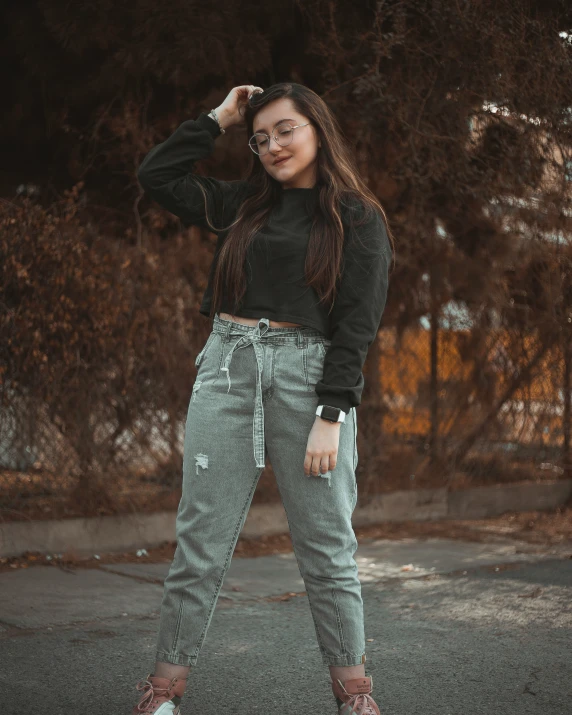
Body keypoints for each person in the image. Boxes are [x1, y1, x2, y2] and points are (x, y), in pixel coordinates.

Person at [134, 82, 394, 715]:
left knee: (328, 547)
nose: (272, 145)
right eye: (260, 137)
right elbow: (157, 175)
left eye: (285, 129)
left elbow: (357, 324)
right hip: (227, 367)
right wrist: (218, 119)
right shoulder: (241, 204)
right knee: (199, 541)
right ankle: (163, 693)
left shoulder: (356, 217)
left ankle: (353, 694)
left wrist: (331, 415)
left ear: (317, 128)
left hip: (311, 385)